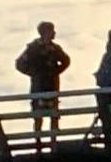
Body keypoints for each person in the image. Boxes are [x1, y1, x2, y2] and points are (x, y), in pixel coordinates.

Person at [15, 21, 71, 150]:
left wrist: (56, 71)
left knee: (53, 115)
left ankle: (53, 143)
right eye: (52, 30)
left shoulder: (55, 48)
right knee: (38, 117)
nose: (54, 33)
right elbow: (19, 63)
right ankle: (38, 144)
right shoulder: (33, 48)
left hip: (52, 86)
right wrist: (33, 73)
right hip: (38, 87)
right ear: (45, 32)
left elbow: (66, 60)